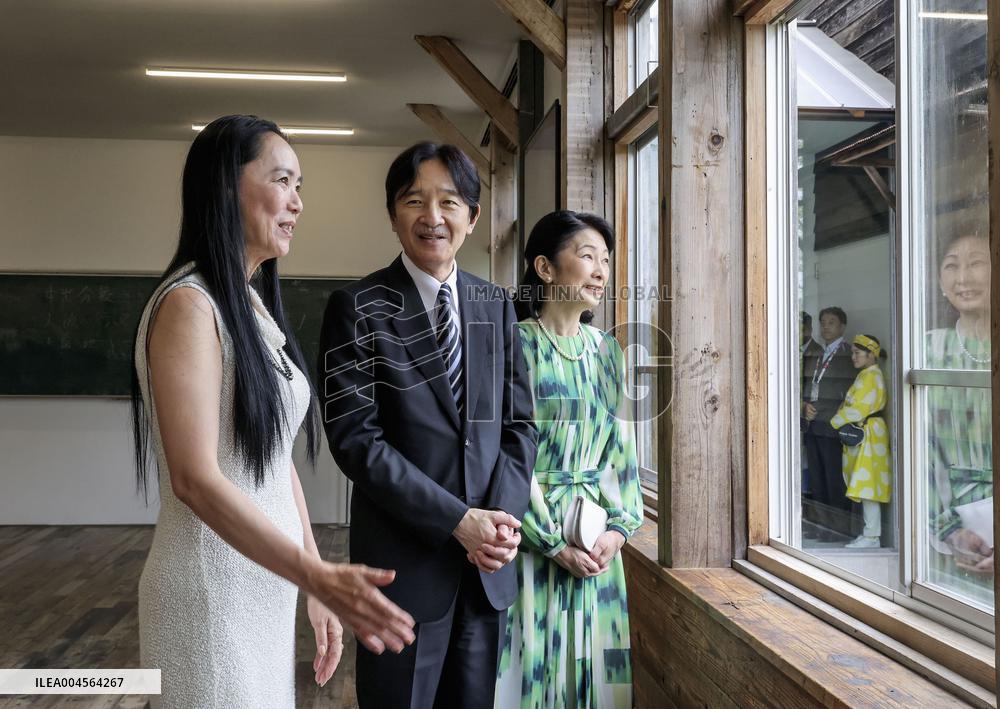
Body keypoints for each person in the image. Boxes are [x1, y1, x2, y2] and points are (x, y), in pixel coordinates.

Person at [130, 115, 415, 709]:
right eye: (283, 180)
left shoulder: (252, 308)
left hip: (262, 583)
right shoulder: (189, 304)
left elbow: (273, 458)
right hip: (208, 591)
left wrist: (309, 573)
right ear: (224, 188)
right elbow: (195, 479)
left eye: (300, 186)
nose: (297, 203)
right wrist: (313, 574)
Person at [318, 142, 538, 707]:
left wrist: (500, 525)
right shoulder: (358, 307)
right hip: (402, 573)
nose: (432, 217)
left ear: (473, 215)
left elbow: (517, 427)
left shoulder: (495, 305)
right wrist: (457, 520)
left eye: (447, 201)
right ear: (393, 215)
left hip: (485, 570)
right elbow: (356, 441)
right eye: (414, 201)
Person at [495, 211, 644, 708]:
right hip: (530, 540)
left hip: (597, 543)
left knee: (599, 678)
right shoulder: (512, 344)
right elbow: (507, 452)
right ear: (544, 267)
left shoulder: (607, 352)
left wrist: (618, 530)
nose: (601, 270)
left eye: (606, 260)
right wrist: (551, 541)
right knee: (529, 671)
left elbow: (619, 451)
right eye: (587, 257)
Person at [926, 233, 993, 588]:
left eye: (977, 262)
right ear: (940, 280)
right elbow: (919, 454)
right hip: (950, 542)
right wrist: (950, 530)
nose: (963, 278)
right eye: (952, 265)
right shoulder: (926, 350)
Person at [831, 334, 891, 549]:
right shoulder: (868, 374)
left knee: (868, 486)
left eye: (857, 353)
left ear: (871, 354)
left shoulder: (871, 376)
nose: (853, 357)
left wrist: (834, 421)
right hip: (867, 432)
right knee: (866, 484)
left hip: (869, 433)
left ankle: (872, 535)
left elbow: (857, 409)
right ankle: (869, 534)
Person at [801, 306, 855, 530]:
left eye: (831, 322)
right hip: (813, 424)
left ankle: (838, 528)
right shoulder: (816, 353)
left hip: (832, 426)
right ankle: (821, 526)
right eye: (823, 322)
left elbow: (848, 391)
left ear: (842, 326)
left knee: (834, 478)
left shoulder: (847, 353)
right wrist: (804, 405)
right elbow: (808, 386)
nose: (826, 326)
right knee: (817, 477)